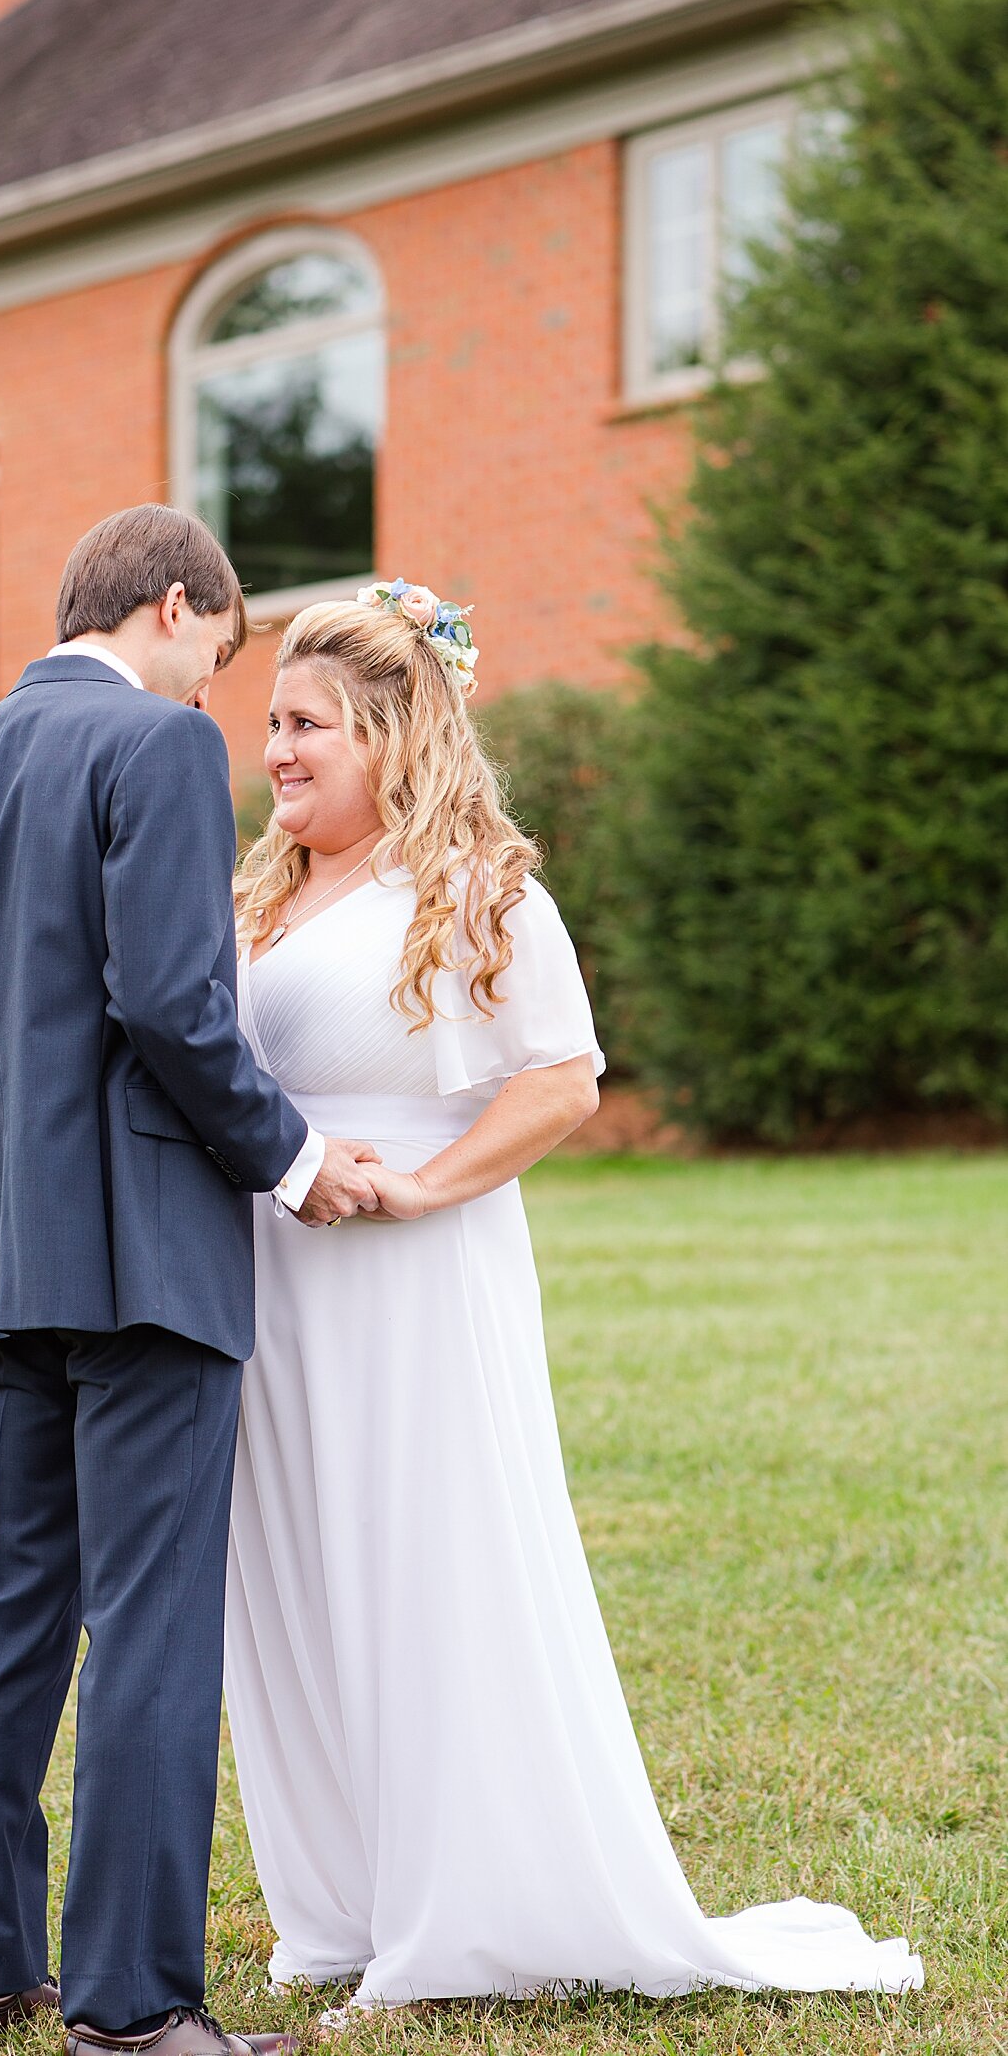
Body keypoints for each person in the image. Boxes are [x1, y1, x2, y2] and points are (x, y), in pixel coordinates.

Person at [223, 584, 924, 2020]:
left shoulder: (485, 888)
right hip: (275, 1271)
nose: (276, 751)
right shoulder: (266, 887)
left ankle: (453, 1908)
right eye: (272, 723)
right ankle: (343, 1896)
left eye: (304, 724)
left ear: (391, 730)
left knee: (417, 1563)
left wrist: (425, 1189)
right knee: (297, 1573)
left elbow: (561, 1078)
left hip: (412, 1274)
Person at [0, 506, 382, 2052]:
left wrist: (23, 1143)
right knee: (155, 1621)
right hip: (151, 1256)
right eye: (217, 664)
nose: (213, 703)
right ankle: (139, 2008)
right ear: (173, 607)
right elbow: (169, 996)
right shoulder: (153, 751)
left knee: (18, 1603)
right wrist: (287, 1159)